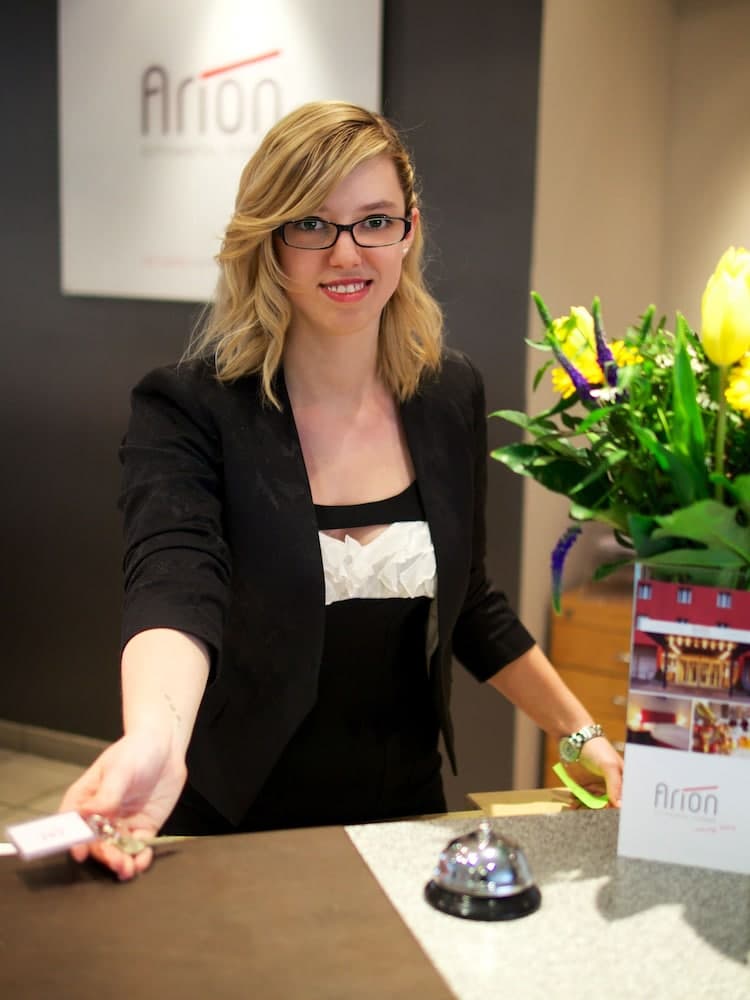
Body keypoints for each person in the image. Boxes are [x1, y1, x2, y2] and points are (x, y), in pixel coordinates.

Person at [60, 100, 623, 880]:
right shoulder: (190, 407)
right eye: (312, 225)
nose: (346, 253)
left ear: (409, 232)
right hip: (237, 820)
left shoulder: (449, 393)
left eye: (375, 222)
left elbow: (472, 603)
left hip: (404, 815)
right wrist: (154, 738)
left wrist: (579, 733)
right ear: (270, 240)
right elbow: (174, 586)